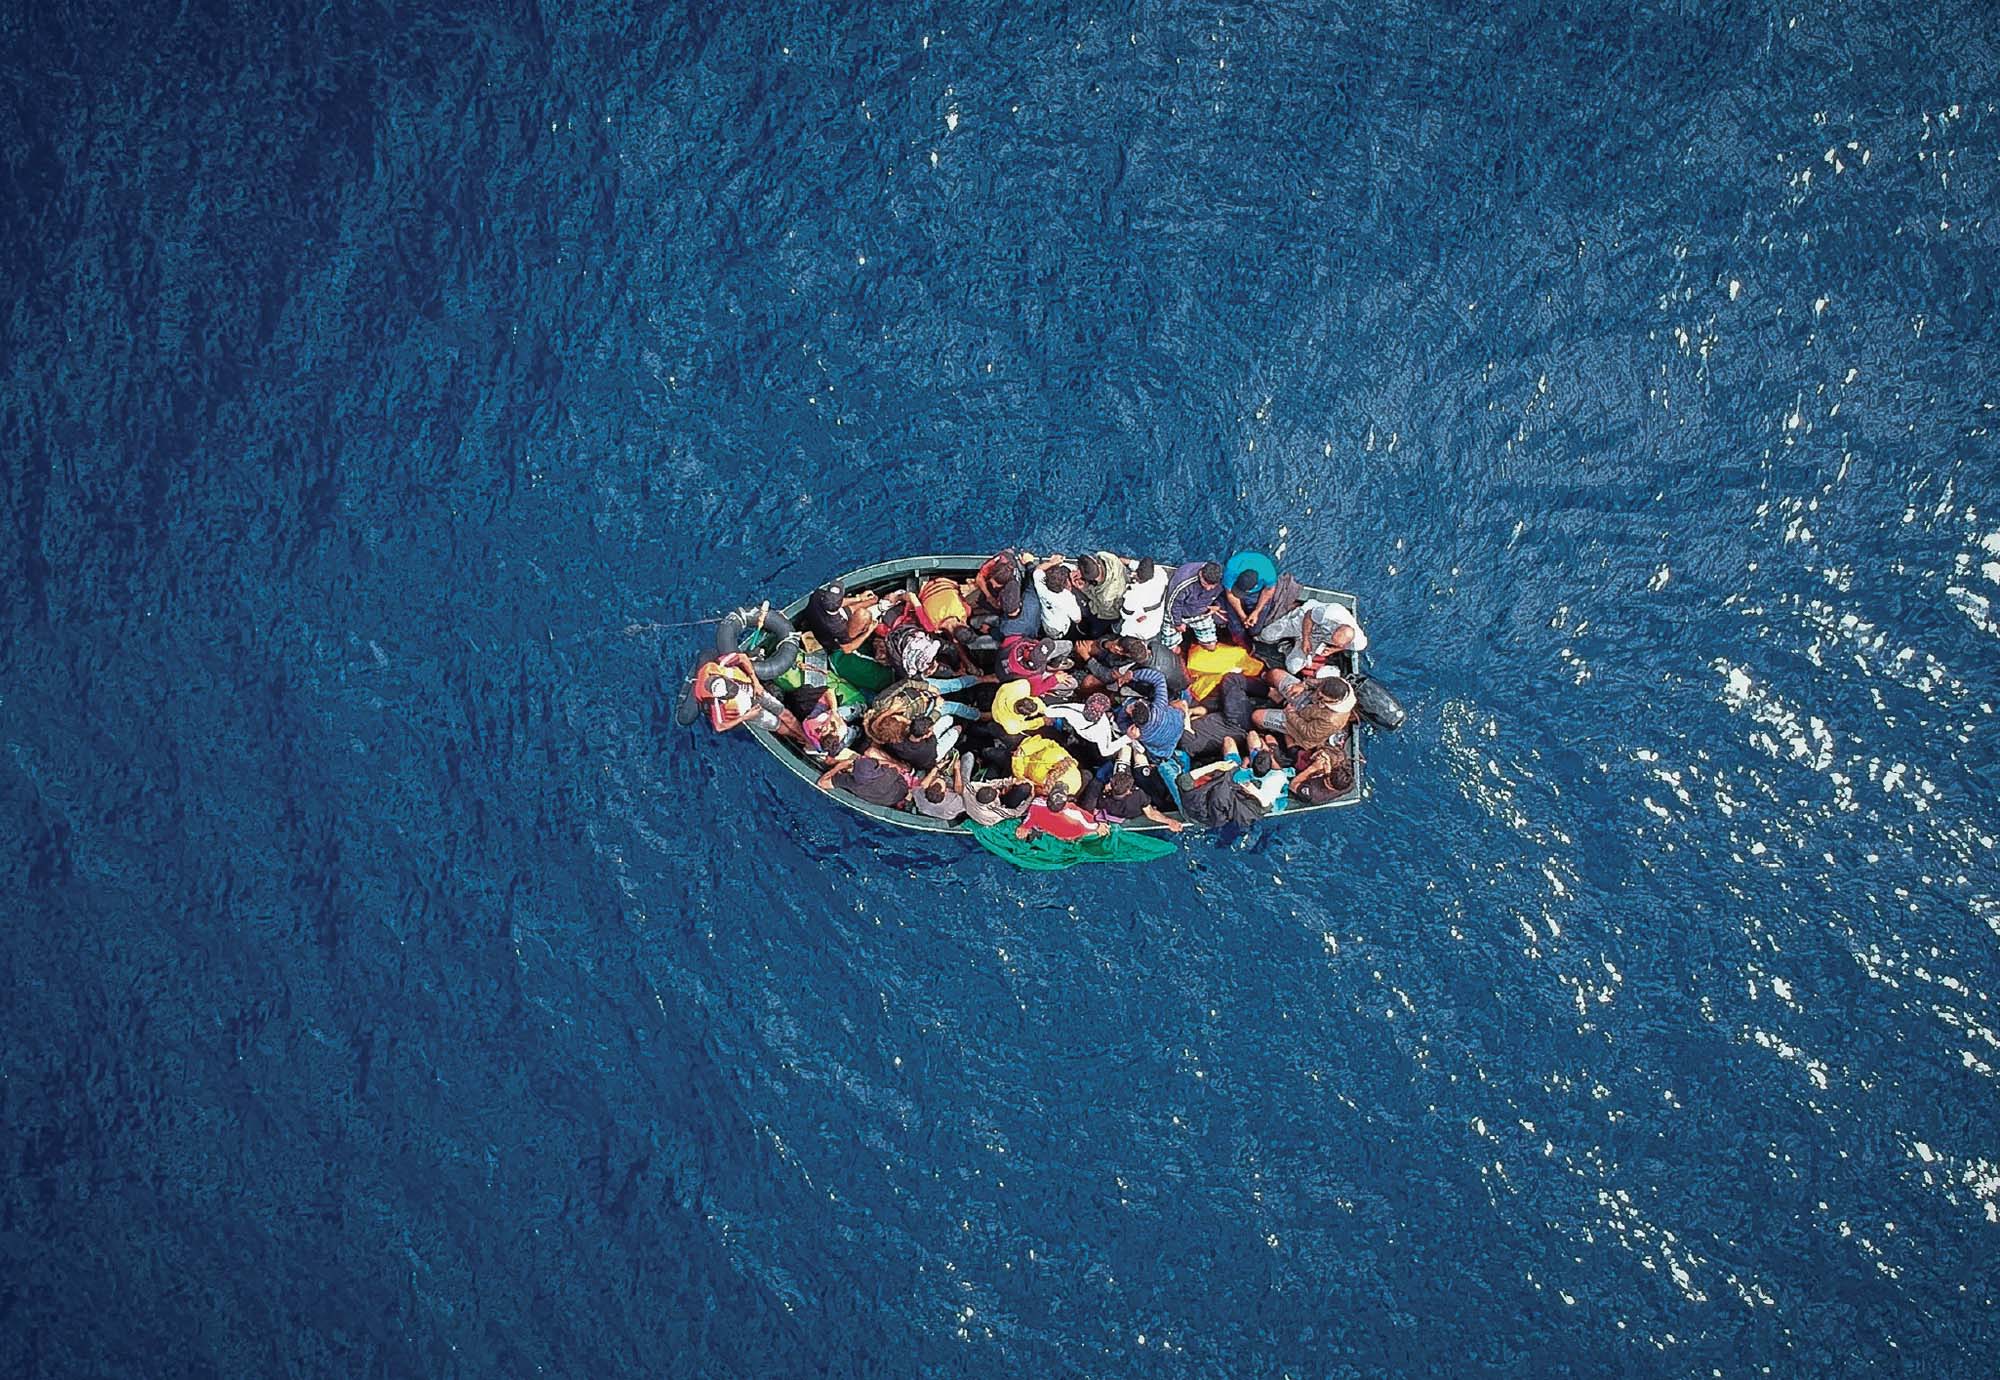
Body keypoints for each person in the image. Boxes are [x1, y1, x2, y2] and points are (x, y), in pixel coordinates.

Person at [693, 650, 807, 744]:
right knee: (776, 724)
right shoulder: (713, 701)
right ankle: (796, 737)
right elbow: (719, 727)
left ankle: (806, 738)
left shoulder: (721, 665)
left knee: (785, 714)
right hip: (746, 709)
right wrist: (745, 717)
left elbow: (742, 657)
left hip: (753, 689)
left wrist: (756, 682)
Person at [1255, 597, 1367, 672]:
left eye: (1335, 643)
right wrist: (1305, 639)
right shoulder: (1331, 613)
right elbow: (1309, 616)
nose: (1332, 642)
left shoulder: (1359, 643)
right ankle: (1289, 619)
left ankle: (1286, 647)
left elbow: (1345, 647)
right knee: (1266, 635)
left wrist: (1333, 650)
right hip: (1305, 621)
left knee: (1293, 667)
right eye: (1333, 637)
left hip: (1318, 638)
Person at [1254, 670, 1354, 749]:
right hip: (1306, 699)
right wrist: (1303, 685)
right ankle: (1278, 697)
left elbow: (1307, 733)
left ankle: (1267, 731)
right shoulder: (1335, 683)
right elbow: (1317, 682)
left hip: (1300, 723)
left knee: (1257, 717)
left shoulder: (1332, 721)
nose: (1318, 695)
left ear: (1334, 700)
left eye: (1322, 697)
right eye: (1319, 691)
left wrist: (1291, 713)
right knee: (1275, 674)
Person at [1082, 762, 1185, 831]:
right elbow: (1151, 814)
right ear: (1129, 791)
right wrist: (1170, 821)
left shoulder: (1104, 799)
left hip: (1118, 808)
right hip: (1135, 808)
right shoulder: (1138, 795)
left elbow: (1095, 809)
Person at [1121, 665, 1187, 763]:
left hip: (1164, 746)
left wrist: (1127, 729)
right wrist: (1132, 675)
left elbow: (1122, 722)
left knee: (1123, 706)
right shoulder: (1159, 706)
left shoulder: (1141, 734)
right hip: (1177, 725)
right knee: (1181, 702)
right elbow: (1159, 678)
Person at [801, 582, 885, 654]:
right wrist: (869, 631)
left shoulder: (818, 595)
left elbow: (832, 603)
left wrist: (859, 598)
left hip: (820, 617)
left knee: (872, 601)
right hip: (830, 637)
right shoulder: (838, 628)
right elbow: (847, 649)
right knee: (864, 616)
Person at [816, 750, 912, 808]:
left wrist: (838, 767)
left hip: (886, 800)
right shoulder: (887, 774)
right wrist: (878, 761)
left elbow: (821, 783)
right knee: (871, 752)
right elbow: (896, 767)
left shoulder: (850, 782)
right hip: (900, 791)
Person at [1043, 692, 1124, 761]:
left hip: (1092, 744)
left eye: (1095, 712)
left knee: (1094, 757)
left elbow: (1105, 751)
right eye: (1091, 709)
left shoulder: (1103, 727)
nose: (1092, 713)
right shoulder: (1074, 709)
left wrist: (1127, 738)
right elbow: (1048, 711)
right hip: (1076, 732)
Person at [1014, 781, 1106, 842]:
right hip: (1068, 835)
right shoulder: (1072, 810)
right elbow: (1088, 824)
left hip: (1048, 830)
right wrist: (1098, 825)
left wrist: (1024, 827)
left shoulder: (1037, 804)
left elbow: (1029, 819)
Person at [1166, 560, 1225, 648]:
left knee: (1211, 646)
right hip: (1177, 614)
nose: (1208, 589)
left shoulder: (1222, 579)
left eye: (1212, 586)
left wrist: (1217, 605)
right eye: (1205, 584)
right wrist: (1177, 623)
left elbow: (1223, 595)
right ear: (1200, 574)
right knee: (1172, 648)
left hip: (1201, 612)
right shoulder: (1183, 581)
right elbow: (1173, 604)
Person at [1029, 555, 1085, 646]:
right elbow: (1077, 619)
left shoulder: (1040, 583)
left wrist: (1052, 563)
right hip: (1058, 629)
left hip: (1046, 621)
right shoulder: (1067, 598)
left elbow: (1038, 569)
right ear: (1066, 584)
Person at [1011, 733, 1084, 798]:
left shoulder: (1046, 786)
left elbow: (1025, 780)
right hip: (1027, 742)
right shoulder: (1062, 756)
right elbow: (1050, 743)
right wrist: (1025, 750)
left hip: (1015, 766)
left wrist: (1017, 760)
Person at [1074, 552, 1129, 636]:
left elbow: (1100, 607)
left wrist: (1084, 588)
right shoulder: (1107, 557)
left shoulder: (1105, 596)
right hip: (1123, 584)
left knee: (1095, 629)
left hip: (1109, 613)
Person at [1119, 558, 1170, 639]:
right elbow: (1139, 566)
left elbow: (1125, 615)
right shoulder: (1160, 573)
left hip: (1136, 630)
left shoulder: (1133, 597)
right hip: (1155, 625)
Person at [1291, 742, 1355, 806]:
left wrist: (1313, 768)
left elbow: (1292, 785)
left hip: (1300, 785)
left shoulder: (1313, 792)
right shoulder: (1349, 783)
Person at [1222, 569, 1277, 643]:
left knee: (1255, 629)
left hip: (1257, 593)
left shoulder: (1269, 575)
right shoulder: (1230, 571)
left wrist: (1256, 612)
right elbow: (1230, 594)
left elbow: (1268, 591)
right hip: (1235, 585)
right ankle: (1240, 639)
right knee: (1235, 627)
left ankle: (1252, 636)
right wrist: (1242, 616)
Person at [913, 754, 967, 822]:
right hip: (945, 812)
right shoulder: (954, 803)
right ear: (946, 791)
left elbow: (923, 784)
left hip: (927, 810)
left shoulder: (918, 794)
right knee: (968, 757)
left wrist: (937, 767)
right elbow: (959, 790)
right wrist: (957, 769)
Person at [964, 777, 1035, 827]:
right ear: (991, 803)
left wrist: (1012, 781)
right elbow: (1017, 812)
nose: (998, 791)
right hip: (985, 818)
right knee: (1024, 789)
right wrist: (1031, 797)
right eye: (997, 794)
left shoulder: (971, 787)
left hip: (972, 807)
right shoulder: (992, 813)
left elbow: (990, 784)